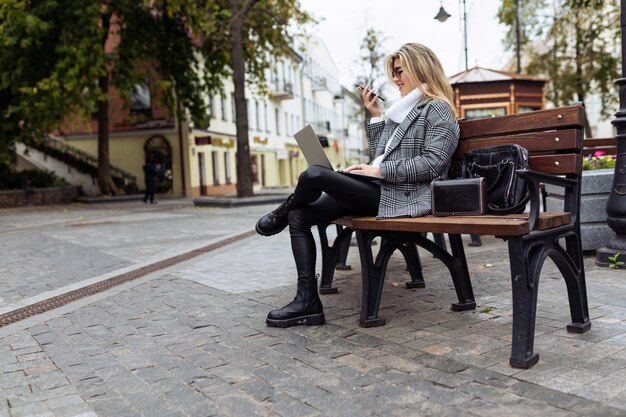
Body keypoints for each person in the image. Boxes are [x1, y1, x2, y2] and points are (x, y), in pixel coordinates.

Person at [255, 42, 460, 328]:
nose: (396, 79)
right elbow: (379, 155)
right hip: (380, 189)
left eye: (400, 72)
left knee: (314, 175)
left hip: (404, 196)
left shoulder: (438, 109)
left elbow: (433, 164)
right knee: (298, 216)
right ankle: (307, 302)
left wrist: (377, 171)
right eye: (394, 73)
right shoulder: (402, 111)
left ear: (420, 68)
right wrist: (375, 115)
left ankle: (279, 211)